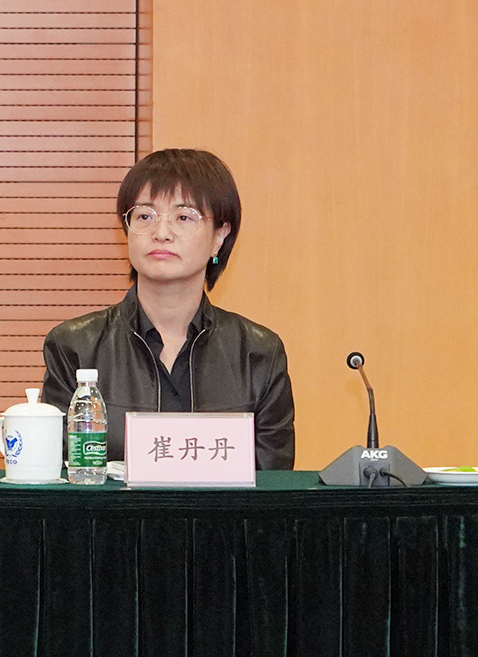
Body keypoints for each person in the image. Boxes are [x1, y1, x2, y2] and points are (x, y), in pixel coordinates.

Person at [40, 147, 295, 469]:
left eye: (184, 217)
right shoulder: (75, 346)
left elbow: (273, 486)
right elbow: (59, 477)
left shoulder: (259, 353)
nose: (161, 233)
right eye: (145, 216)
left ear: (219, 237)